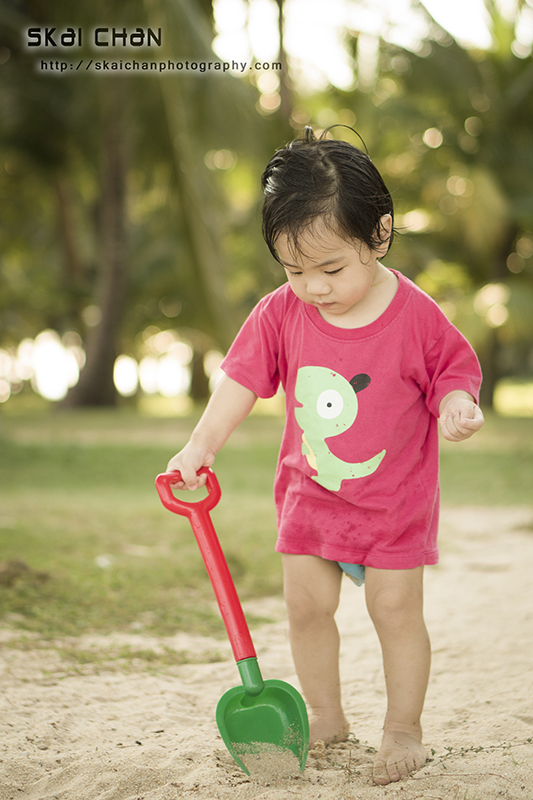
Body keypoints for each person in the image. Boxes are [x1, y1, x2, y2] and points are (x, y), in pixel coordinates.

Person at [166, 127, 484, 785]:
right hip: (310, 496)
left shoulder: (415, 315)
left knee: (393, 612)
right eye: (293, 270)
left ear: (379, 236)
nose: (311, 286)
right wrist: (201, 444)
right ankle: (326, 713)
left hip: (392, 503)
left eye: (330, 268)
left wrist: (455, 402)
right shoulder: (281, 313)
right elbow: (241, 381)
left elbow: (454, 368)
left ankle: (402, 727)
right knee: (305, 607)